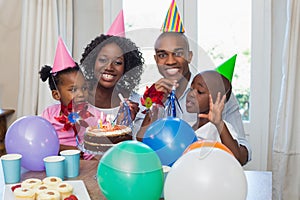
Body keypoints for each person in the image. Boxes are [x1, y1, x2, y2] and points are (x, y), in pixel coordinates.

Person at [137, 32, 251, 164]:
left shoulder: (216, 92)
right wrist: (155, 103)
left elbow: (241, 154)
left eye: (178, 53)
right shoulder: (151, 95)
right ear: (156, 59)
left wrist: (219, 124)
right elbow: (142, 145)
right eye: (163, 55)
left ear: (189, 56)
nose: (170, 61)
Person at [40, 37, 106, 160]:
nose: (81, 94)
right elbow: (42, 143)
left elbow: (107, 140)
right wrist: (67, 150)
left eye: (84, 88)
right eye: (73, 90)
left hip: (89, 165)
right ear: (56, 95)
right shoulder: (48, 115)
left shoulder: (95, 115)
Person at [80, 34, 145, 135]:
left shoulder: (137, 103)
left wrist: (126, 124)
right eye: (103, 60)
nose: (109, 67)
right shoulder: (77, 98)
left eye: (118, 62)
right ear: (92, 62)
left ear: (127, 67)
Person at [186, 70, 248, 165]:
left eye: (199, 91)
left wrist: (219, 124)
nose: (191, 94)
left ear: (217, 100)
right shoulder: (190, 127)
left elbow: (236, 158)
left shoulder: (220, 128)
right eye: (191, 89)